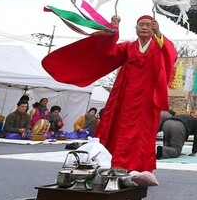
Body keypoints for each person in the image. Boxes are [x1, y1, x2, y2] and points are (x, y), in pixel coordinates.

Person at [42, 14, 177, 172]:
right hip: (125, 96)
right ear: (136, 28)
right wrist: (112, 29)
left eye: (148, 25)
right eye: (141, 24)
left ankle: (139, 166)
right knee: (121, 129)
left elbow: (171, 54)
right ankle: (116, 162)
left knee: (143, 132)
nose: (145, 27)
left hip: (147, 98)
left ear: (154, 27)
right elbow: (108, 52)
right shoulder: (128, 48)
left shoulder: (159, 46)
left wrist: (159, 34)